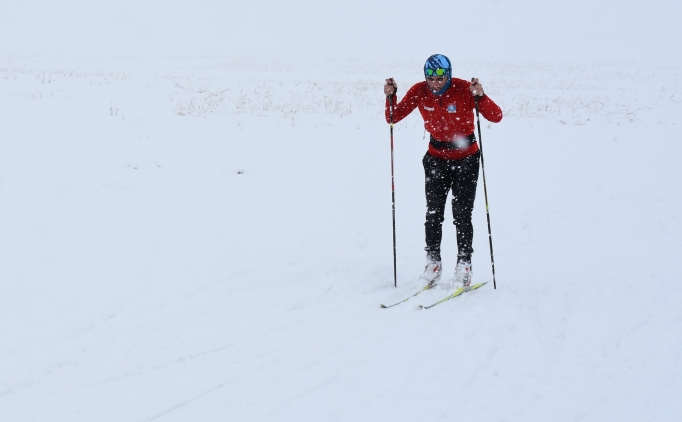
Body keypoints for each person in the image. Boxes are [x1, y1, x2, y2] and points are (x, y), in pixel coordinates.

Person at [384, 54, 502, 290]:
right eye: (431, 78)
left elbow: (496, 116)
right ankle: (433, 264)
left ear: (448, 75)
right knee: (433, 213)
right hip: (436, 159)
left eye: (440, 78)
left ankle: (464, 265)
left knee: (461, 213)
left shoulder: (463, 89)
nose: (435, 84)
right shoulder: (419, 91)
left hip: (466, 159)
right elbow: (393, 117)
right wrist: (391, 97)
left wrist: (481, 96)